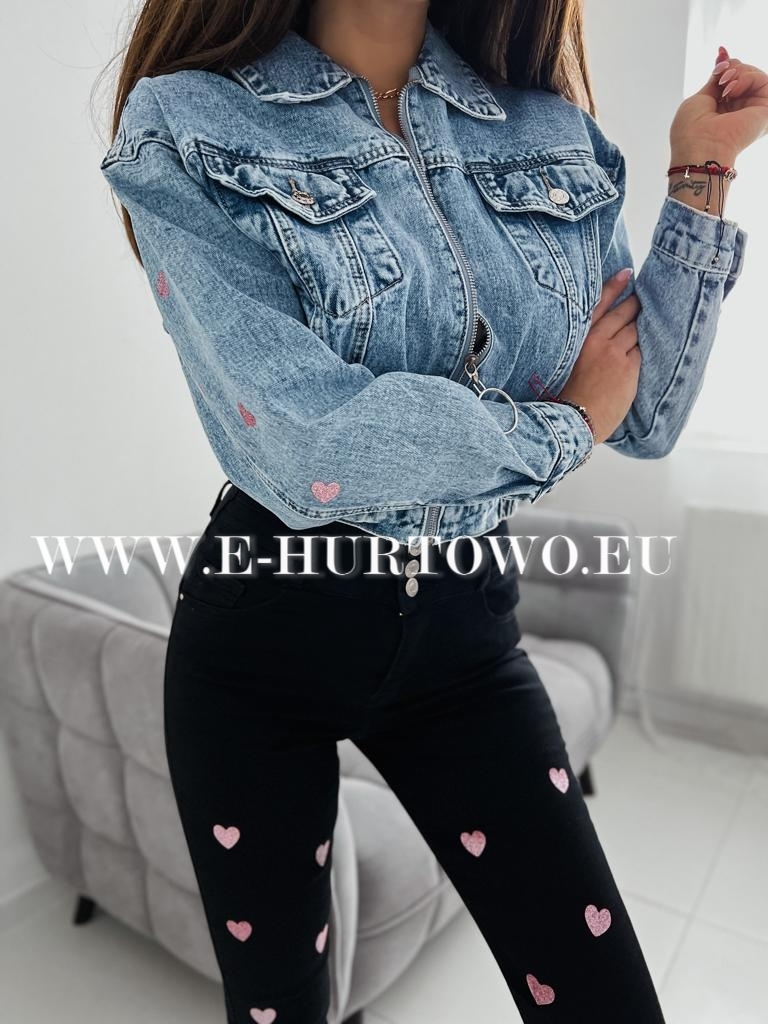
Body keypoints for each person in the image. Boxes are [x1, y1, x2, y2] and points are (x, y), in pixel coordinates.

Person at [98, 1, 767, 1020]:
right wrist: (561, 426)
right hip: (258, 638)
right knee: (278, 1008)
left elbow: (646, 412)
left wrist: (702, 168)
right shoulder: (187, 122)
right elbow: (311, 448)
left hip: (463, 639)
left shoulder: (545, 129)